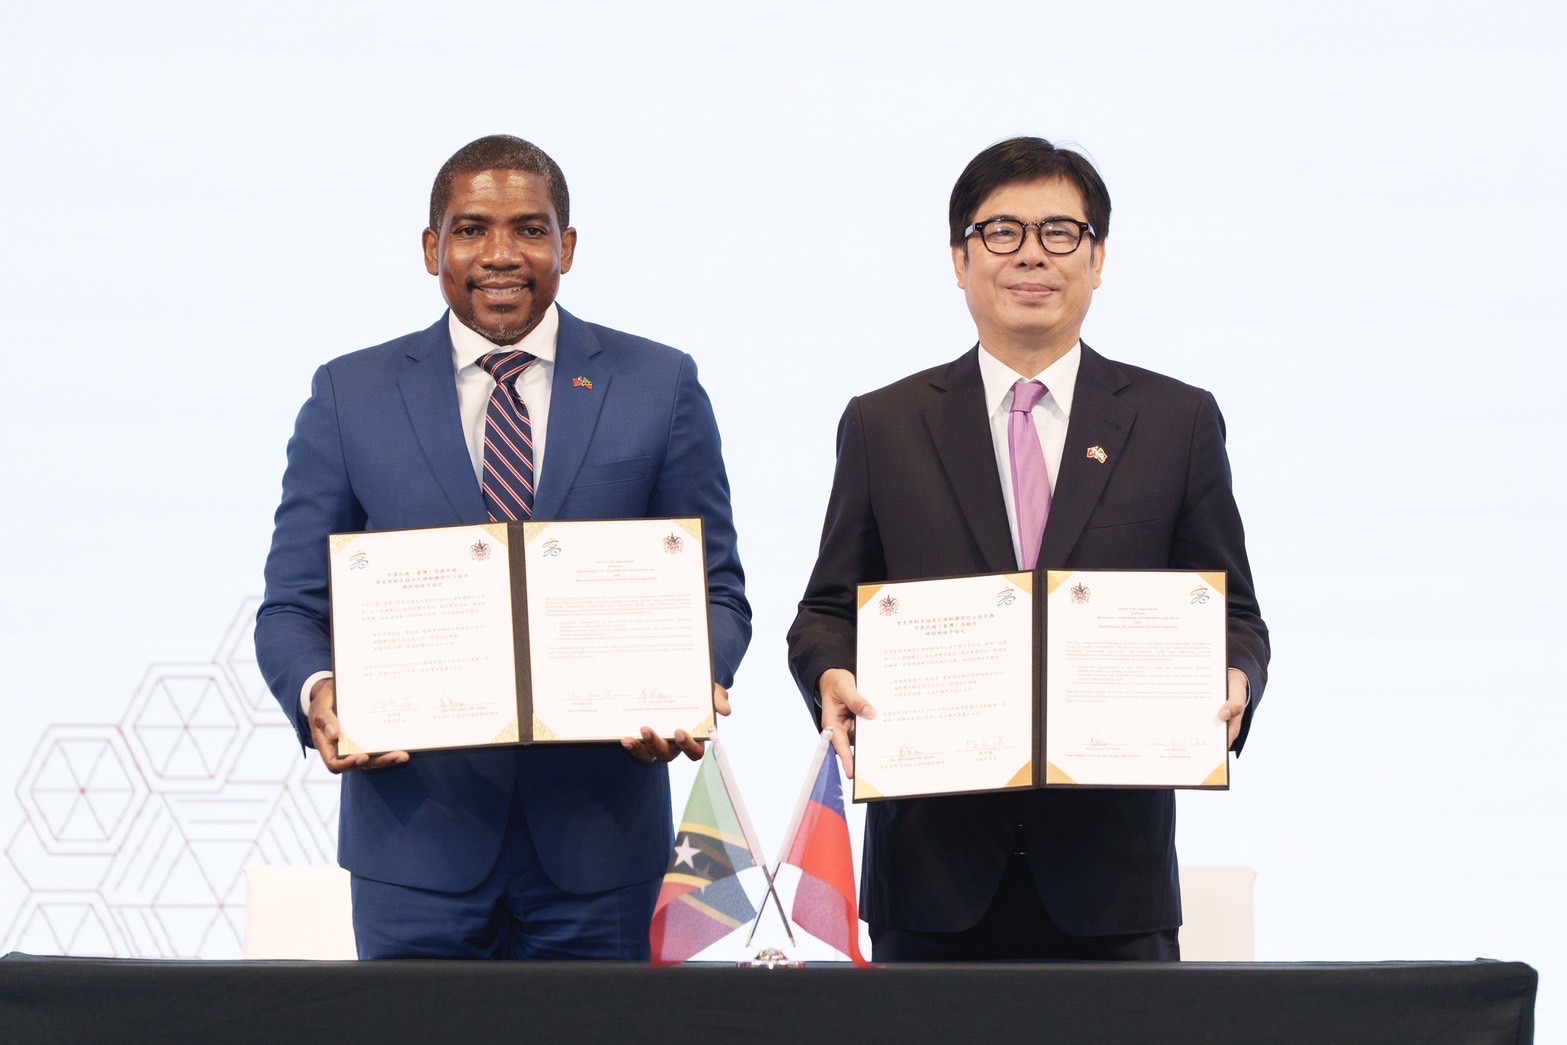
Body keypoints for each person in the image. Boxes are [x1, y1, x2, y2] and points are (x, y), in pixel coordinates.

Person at [255, 135, 750, 960]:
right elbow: (291, 608)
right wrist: (319, 692)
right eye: (470, 229)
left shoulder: (658, 384)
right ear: (431, 248)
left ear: (566, 246)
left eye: (528, 229)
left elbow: (717, 591)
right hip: (413, 846)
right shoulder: (349, 394)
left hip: (600, 846)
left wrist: (691, 677)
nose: (499, 254)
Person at [786, 137, 1268, 962]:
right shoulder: (883, 424)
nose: (1031, 255)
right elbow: (826, 610)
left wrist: (1235, 676)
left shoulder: (1176, 421)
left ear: (1097, 257)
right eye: (1001, 231)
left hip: (1112, 885)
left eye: (1060, 232)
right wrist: (829, 672)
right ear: (959, 259)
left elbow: (1234, 615)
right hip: (931, 880)